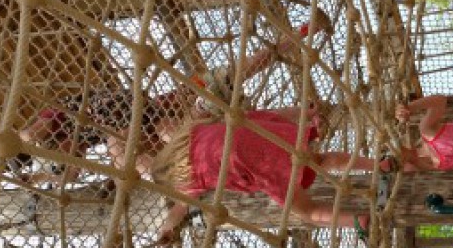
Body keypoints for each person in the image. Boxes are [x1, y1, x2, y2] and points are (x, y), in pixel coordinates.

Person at [18, 17, 333, 184]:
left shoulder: (58, 119)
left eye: (58, 154)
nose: (67, 154)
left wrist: (27, 146)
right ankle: (306, 115)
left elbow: (33, 134)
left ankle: (304, 31)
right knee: (232, 122)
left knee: (237, 73)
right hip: (155, 112)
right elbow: (71, 172)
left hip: (149, 109)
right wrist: (39, 175)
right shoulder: (80, 142)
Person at [152, 110, 375, 244]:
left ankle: (356, 220)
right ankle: (376, 165)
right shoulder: (192, 131)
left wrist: (166, 230)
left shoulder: (187, 181)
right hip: (264, 134)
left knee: (307, 211)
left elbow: (178, 210)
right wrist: (301, 113)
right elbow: (208, 115)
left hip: (260, 164)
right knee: (321, 160)